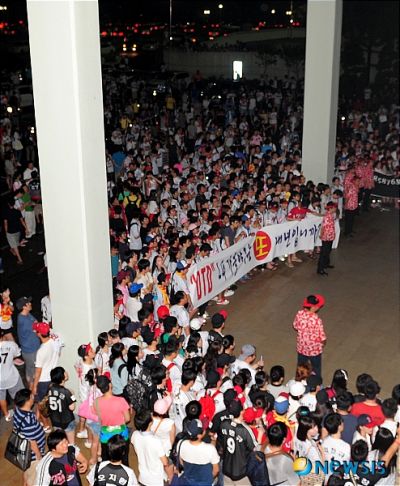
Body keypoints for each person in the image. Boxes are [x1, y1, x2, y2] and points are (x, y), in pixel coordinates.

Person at [93, 375, 131, 465]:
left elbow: (99, 417)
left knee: (105, 459)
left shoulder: (96, 401)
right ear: (110, 385)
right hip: (121, 435)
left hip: (106, 435)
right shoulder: (121, 400)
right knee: (124, 459)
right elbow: (128, 419)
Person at [131, 409, 173, 486]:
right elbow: (165, 463)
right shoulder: (155, 441)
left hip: (143, 478)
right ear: (150, 423)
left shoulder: (135, 435)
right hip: (156, 481)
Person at [13, 388, 46, 486]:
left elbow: (32, 423)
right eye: (32, 396)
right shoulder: (28, 420)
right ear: (27, 401)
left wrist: (38, 411)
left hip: (24, 452)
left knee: (27, 471)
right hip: (32, 455)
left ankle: (25, 482)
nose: (33, 397)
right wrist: (39, 456)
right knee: (34, 477)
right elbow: (32, 442)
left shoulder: (19, 410)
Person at [220, 400, 257, 485]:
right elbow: (254, 449)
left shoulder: (224, 423)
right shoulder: (245, 430)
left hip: (226, 469)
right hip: (240, 472)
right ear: (242, 411)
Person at [292, 294, 326, 378]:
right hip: (314, 350)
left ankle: (299, 379)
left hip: (302, 348)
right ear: (313, 307)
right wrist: (323, 343)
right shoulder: (316, 320)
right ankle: (316, 381)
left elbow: (295, 325)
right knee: (316, 367)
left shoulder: (299, 314)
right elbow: (322, 337)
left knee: (301, 366)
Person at [178, 418, 220, 486]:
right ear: (201, 434)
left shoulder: (181, 444)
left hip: (189, 480)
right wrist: (209, 479)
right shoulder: (210, 449)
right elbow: (216, 470)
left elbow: (181, 462)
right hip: (205, 483)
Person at [47, 367, 76, 444]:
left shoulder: (50, 389)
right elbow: (72, 407)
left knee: (59, 441)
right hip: (67, 420)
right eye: (64, 372)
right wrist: (73, 395)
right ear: (63, 377)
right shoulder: (67, 392)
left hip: (55, 420)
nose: (66, 372)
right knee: (71, 443)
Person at [0, 329, 24, 421]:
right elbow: (17, 354)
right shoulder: (11, 344)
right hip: (11, 376)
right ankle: (20, 412)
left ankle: (7, 415)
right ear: (2, 334)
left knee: (1, 398)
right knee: (18, 395)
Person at [16, 296, 40, 386]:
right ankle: (31, 389)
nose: (30, 304)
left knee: (32, 369)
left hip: (34, 347)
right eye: (28, 303)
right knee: (32, 371)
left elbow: (36, 322)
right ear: (24, 307)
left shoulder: (27, 314)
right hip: (30, 350)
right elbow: (37, 327)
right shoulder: (23, 319)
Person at [3, 196, 27, 265]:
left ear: (8, 204)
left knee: (15, 246)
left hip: (10, 232)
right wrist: (26, 228)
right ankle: (13, 250)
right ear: (14, 204)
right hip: (17, 231)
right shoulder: (17, 211)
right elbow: (22, 221)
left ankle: (20, 260)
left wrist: (6, 232)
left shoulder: (6, 213)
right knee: (15, 244)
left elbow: (5, 224)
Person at [317, 201, 337, 276]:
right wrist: (321, 235)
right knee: (324, 253)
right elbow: (323, 227)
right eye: (334, 207)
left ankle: (326, 264)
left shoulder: (331, 215)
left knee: (328, 251)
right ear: (331, 208)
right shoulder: (326, 216)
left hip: (330, 236)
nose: (335, 209)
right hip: (326, 237)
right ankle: (320, 269)